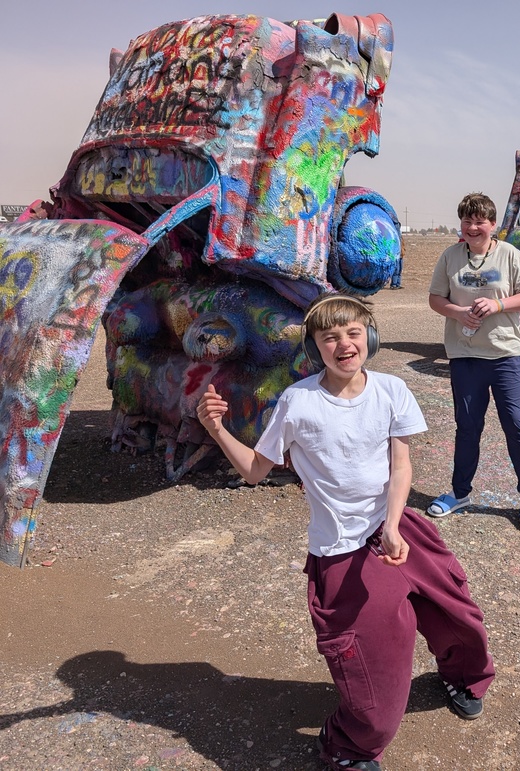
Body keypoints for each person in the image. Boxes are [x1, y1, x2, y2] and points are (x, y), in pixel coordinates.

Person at [197, 294, 494, 770]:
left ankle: (463, 676)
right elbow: (255, 470)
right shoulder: (298, 403)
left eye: (353, 332)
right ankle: (345, 747)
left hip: (398, 530)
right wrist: (215, 429)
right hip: (343, 554)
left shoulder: (392, 390)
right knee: (375, 700)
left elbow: (401, 466)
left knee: (460, 617)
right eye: (330, 337)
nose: (344, 344)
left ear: (369, 337)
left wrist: (395, 526)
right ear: (316, 348)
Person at [427, 193, 520, 526]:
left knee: (516, 425)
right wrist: (458, 313)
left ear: (492, 224)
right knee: (467, 428)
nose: (473, 227)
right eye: (467, 220)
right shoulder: (450, 257)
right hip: (464, 356)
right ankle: (460, 493)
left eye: (480, 221)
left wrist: (498, 305)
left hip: (506, 355)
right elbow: (436, 298)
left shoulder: (510, 255)